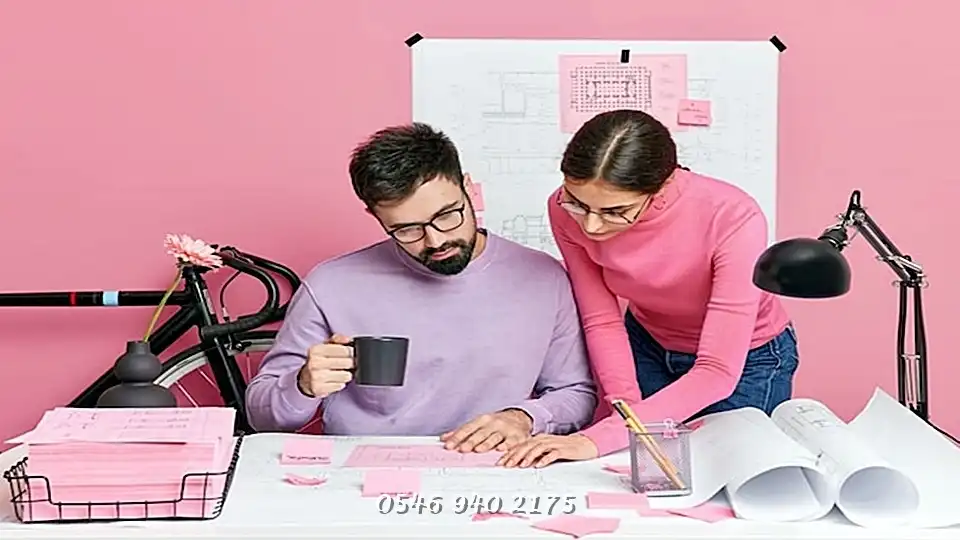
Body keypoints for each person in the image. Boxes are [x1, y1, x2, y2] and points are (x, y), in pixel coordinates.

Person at [245, 122, 598, 453]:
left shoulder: (543, 277)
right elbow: (262, 417)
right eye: (407, 229)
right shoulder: (331, 285)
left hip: (491, 467)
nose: (436, 241)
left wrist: (524, 418)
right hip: (362, 472)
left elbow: (575, 392)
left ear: (468, 188)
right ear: (375, 217)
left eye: (447, 215)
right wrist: (302, 385)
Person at [498, 109, 798, 468]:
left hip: (747, 359)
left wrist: (595, 439)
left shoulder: (733, 216)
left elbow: (716, 371)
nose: (591, 226)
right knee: (644, 473)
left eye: (615, 211)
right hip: (648, 344)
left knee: (726, 472)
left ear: (663, 185)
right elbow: (601, 318)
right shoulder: (564, 210)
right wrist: (624, 410)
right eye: (578, 204)